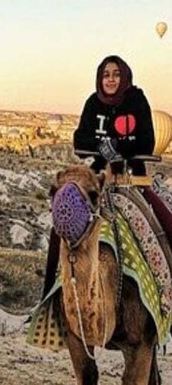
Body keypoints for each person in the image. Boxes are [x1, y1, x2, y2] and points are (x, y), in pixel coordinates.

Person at [41, 55, 161, 299]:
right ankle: (48, 296)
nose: (111, 79)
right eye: (106, 74)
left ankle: (164, 291)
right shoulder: (93, 103)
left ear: (124, 76)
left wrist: (118, 147)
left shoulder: (136, 100)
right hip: (96, 181)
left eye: (116, 74)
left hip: (130, 179)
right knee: (61, 224)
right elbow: (79, 140)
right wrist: (104, 147)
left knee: (163, 221)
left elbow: (147, 142)